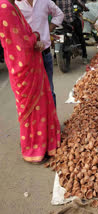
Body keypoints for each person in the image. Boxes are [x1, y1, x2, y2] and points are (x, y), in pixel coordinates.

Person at [0, 0, 61, 162]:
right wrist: (36, 36)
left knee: (47, 99)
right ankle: (36, 148)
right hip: (25, 67)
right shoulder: (6, 7)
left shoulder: (12, 5)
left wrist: (41, 35)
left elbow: (23, 37)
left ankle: (46, 141)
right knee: (35, 109)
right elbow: (20, 44)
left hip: (39, 58)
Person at [16, 0, 64, 107]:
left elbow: (59, 14)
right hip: (28, 56)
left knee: (49, 90)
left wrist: (48, 29)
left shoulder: (45, 1)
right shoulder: (16, 4)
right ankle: (39, 123)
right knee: (32, 94)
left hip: (44, 53)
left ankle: (53, 122)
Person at [56, 0, 89, 65]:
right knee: (80, 36)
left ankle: (55, 57)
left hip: (59, 21)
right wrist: (85, 8)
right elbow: (80, 2)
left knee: (57, 36)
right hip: (71, 21)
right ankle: (84, 57)